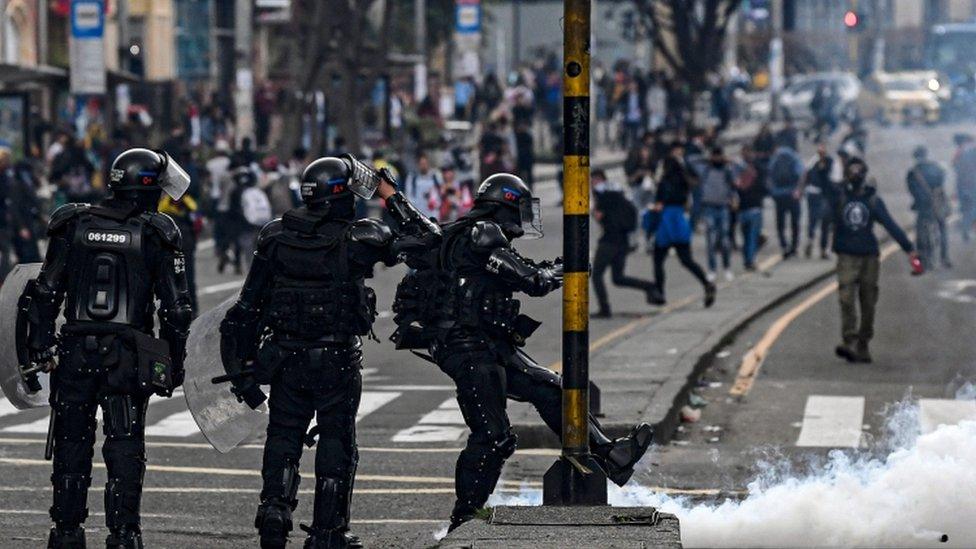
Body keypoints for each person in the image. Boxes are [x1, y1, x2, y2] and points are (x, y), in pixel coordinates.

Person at [391, 174, 653, 532]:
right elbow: (532, 280)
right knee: (493, 437)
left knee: (551, 388)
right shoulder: (484, 233)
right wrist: (566, 268)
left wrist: (388, 191)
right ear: (506, 205)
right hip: (468, 348)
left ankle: (611, 455)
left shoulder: (455, 234)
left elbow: (413, 218)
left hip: (486, 344)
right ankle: (464, 520)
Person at [220, 157, 440, 549]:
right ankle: (328, 531)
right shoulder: (360, 237)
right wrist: (390, 195)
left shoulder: (275, 236)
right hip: (336, 359)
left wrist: (243, 371)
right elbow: (429, 243)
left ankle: (274, 507)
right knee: (337, 441)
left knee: (284, 436)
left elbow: (246, 310)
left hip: (285, 357)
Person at [21, 148, 193, 548]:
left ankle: (66, 533)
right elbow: (177, 310)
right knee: (125, 449)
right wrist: (174, 361)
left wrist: (39, 349)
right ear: (149, 188)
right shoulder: (157, 231)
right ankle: (123, 535)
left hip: (76, 353)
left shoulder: (73, 223)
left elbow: (44, 294)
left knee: (71, 446)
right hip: (126, 358)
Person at [825, 157, 916, 363]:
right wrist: (823, 165)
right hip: (846, 255)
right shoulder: (839, 197)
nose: (855, 175)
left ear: (864, 174)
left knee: (868, 301)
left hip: (868, 256)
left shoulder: (872, 200)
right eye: (852, 170)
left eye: (859, 171)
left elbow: (890, 225)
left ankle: (863, 342)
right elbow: (822, 184)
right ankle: (849, 339)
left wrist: (909, 249)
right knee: (846, 298)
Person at [591, 170, 665, 318]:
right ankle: (650, 286)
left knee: (597, 275)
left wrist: (595, 213)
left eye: (592, 180)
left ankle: (604, 309)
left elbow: (599, 215)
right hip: (623, 241)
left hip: (609, 240)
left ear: (598, 180)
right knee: (618, 278)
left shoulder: (602, 194)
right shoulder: (619, 192)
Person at [652, 143, 716, 307]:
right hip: (680, 221)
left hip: (667, 221)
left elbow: (659, 202)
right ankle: (706, 283)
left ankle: (660, 292)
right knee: (686, 259)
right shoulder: (683, 180)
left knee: (658, 260)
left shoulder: (664, 182)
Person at [907, 146, 951, 270]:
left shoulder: (913, 172)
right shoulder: (937, 168)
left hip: (923, 207)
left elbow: (912, 190)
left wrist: (920, 200)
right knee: (942, 230)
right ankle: (944, 257)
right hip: (938, 205)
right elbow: (941, 184)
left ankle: (926, 260)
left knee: (921, 233)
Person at [697, 146, 737, 281]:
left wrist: (733, 199)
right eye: (715, 156)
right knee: (711, 240)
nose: (717, 158)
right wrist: (707, 159)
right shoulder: (705, 169)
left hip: (723, 207)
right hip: (709, 207)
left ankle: (727, 267)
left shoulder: (727, 170)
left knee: (725, 240)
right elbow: (690, 160)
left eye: (719, 156)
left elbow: (735, 183)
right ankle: (712, 269)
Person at [767, 137, 804, 258]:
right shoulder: (794, 157)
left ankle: (784, 245)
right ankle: (794, 247)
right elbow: (801, 174)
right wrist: (798, 190)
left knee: (780, 223)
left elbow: (770, 175)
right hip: (793, 194)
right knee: (795, 222)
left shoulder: (775, 157)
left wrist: (773, 192)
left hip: (779, 195)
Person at [801, 143, 837, 260]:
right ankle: (812, 242)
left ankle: (820, 247)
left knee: (822, 223)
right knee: (817, 220)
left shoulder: (827, 162)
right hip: (817, 194)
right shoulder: (814, 162)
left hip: (821, 195)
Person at [736, 146, 766, 271]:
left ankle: (747, 259)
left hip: (743, 207)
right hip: (754, 207)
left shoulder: (736, 170)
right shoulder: (757, 169)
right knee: (751, 237)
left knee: (747, 237)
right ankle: (750, 260)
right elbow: (764, 187)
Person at [951, 133, 976, 241]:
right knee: (971, 209)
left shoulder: (960, 153)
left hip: (962, 186)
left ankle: (966, 231)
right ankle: (968, 229)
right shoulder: (966, 152)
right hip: (971, 186)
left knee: (966, 209)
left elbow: (955, 167)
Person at [404, 151, 442, 220]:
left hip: (434, 213)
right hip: (419, 214)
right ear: (418, 165)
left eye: (425, 163)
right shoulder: (412, 178)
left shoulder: (435, 176)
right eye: (421, 164)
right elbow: (409, 196)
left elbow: (441, 192)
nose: (423, 166)